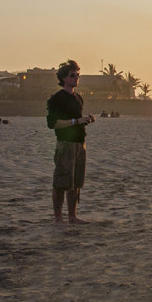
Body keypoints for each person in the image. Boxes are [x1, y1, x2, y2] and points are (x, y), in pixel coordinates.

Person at [46, 59, 95, 224]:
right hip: (65, 143)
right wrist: (76, 121)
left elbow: (77, 118)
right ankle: (58, 218)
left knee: (75, 182)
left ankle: (72, 216)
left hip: (80, 143)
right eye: (72, 75)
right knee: (61, 181)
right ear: (64, 78)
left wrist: (86, 120)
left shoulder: (78, 98)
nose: (76, 78)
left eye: (77, 75)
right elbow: (52, 124)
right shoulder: (57, 99)